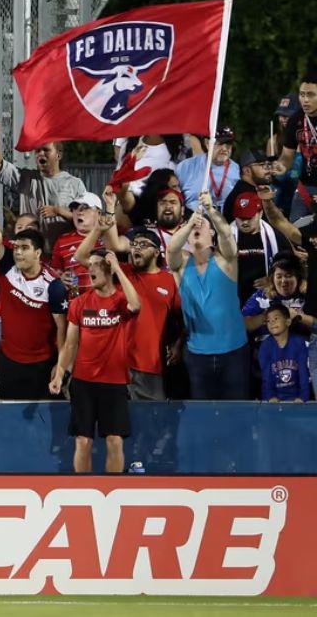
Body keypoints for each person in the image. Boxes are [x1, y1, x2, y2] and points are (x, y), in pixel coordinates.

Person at [49, 250, 142, 474]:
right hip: (83, 381)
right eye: (89, 264)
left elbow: (136, 305)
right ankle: (84, 493)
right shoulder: (79, 303)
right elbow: (70, 344)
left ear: (109, 269)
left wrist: (119, 268)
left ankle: (114, 492)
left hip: (114, 381)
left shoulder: (120, 300)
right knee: (82, 441)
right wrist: (60, 373)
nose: (90, 269)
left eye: (97, 265)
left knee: (114, 441)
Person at [0, 181, 69, 399]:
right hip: (9, 362)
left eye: (24, 248)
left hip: (42, 364)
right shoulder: (8, 267)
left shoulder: (53, 286)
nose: (18, 253)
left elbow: (63, 332)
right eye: (16, 248)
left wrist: (61, 367)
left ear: (38, 253)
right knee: (8, 422)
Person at [77, 219, 183, 402]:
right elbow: (81, 258)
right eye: (133, 244)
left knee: (151, 423)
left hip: (149, 365)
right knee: (114, 425)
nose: (136, 249)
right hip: (115, 364)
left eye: (143, 245)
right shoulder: (120, 272)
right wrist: (97, 230)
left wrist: (178, 345)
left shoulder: (169, 281)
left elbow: (180, 319)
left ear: (157, 252)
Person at [166, 190, 248, 400]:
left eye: (202, 225)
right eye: (193, 225)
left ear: (212, 234)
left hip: (233, 351)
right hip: (197, 354)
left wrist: (211, 210)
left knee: (236, 413)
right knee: (203, 416)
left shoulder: (226, 261)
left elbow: (227, 235)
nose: (197, 226)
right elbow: (171, 249)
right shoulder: (182, 264)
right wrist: (191, 221)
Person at [0, 139, 88, 246]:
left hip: (62, 252)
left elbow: (86, 221)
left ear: (58, 155)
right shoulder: (25, 178)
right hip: (32, 253)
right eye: (37, 151)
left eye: (46, 150)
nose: (41, 153)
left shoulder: (75, 184)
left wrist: (58, 211)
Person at [274, 72, 317, 222]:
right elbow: (287, 157)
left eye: (311, 95)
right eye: (302, 94)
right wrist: (279, 166)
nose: (305, 100)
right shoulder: (295, 120)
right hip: (306, 187)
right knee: (296, 232)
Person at [50, 191, 105, 296]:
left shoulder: (108, 238)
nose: (79, 212)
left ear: (98, 213)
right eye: (75, 208)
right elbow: (54, 271)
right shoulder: (62, 241)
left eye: (85, 208)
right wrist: (60, 278)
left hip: (103, 304)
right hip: (75, 304)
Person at [176, 128, 240, 213]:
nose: (224, 148)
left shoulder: (237, 170)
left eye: (228, 144)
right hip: (193, 221)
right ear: (207, 143)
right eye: (220, 143)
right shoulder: (186, 166)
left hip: (224, 222)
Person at [258, 303, 310, 403]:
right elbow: (266, 377)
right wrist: (270, 396)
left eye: (276, 318)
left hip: (296, 398)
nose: (272, 322)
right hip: (274, 398)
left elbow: (303, 373)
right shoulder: (265, 346)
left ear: (288, 322)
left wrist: (303, 397)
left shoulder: (298, 342)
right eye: (268, 321)